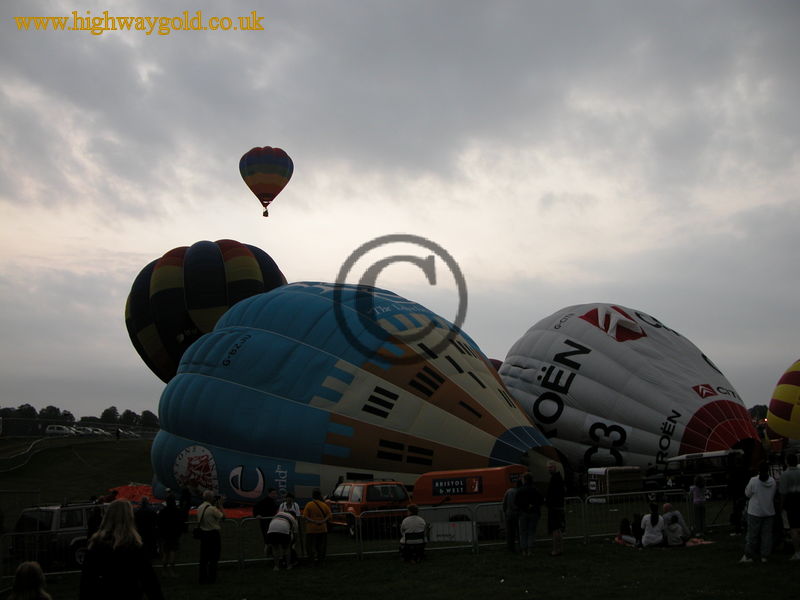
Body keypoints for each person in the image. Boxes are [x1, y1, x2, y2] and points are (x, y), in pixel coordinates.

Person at [79, 499, 164, 600]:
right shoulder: (134, 546)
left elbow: (86, 582)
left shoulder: (96, 544)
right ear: (129, 518)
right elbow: (150, 581)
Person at [739, 462, 777, 563]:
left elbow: (747, 493)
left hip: (755, 512)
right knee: (766, 535)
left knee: (752, 535)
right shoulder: (772, 481)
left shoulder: (754, 480)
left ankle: (748, 556)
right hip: (769, 511)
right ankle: (765, 556)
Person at [196, 490, 225, 584]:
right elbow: (223, 517)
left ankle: (202, 577)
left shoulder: (200, 507)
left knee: (203, 558)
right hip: (213, 534)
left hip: (203, 534)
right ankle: (212, 578)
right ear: (210, 498)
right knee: (214, 557)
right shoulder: (212, 509)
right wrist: (220, 506)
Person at [514, 472, 543, 556]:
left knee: (523, 532)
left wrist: (525, 506)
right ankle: (530, 549)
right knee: (531, 532)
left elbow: (516, 502)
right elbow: (541, 500)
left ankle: (524, 550)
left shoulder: (520, 490)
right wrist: (533, 505)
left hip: (523, 513)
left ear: (525, 480)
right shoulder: (535, 490)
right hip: (534, 513)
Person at [157, 492, 185, 577]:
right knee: (172, 552)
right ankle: (172, 571)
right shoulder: (177, 511)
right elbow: (181, 523)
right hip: (174, 535)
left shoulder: (162, 512)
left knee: (165, 553)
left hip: (165, 535)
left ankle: (164, 570)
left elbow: (159, 523)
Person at [302, 488, 332, 565]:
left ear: (312, 496)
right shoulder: (324, 505)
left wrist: (313, 521)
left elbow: (305, 516)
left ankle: (312, 560)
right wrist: (323, 521)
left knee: (310, 546)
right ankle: (321, 560)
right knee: (321, 546)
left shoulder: (309, 504)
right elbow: (329, 515)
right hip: (322, 529)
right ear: (319, 496)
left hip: (311, 529)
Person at [778, 453, 800, 560]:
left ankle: (797, 552)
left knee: (794, 529)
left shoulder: (785, 475)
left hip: (791, 502)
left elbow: (783, 493)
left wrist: (781, 506)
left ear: (787, 462)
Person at [545, 461, 566, 556]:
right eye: (548, 467)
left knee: (555, 529)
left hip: (554, 507)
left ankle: (555, 549)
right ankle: (560, 548)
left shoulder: (555, 478)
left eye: (551, 467)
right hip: (558, 506)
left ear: (555, 467)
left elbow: (553, 494)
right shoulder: (558, 478)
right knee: (558, 529)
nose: (549, 469)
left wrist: (548, 502)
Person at [134, 497, 159, 561]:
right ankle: (152, 555)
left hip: (141, 530)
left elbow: (135, 522)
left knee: (142, 543)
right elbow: (156, 521)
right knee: (151, 543)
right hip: (150, 530)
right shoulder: (152, 512)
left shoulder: (137, 512)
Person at [502, 479, 521, 552]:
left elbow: (504, 503)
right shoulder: (519, 492)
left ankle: (510, 548)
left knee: (510, 532)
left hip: (509, 514)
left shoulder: (509, 491)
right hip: (518, 514)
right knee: (519, 532)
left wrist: (505, 511)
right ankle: (521, 547)